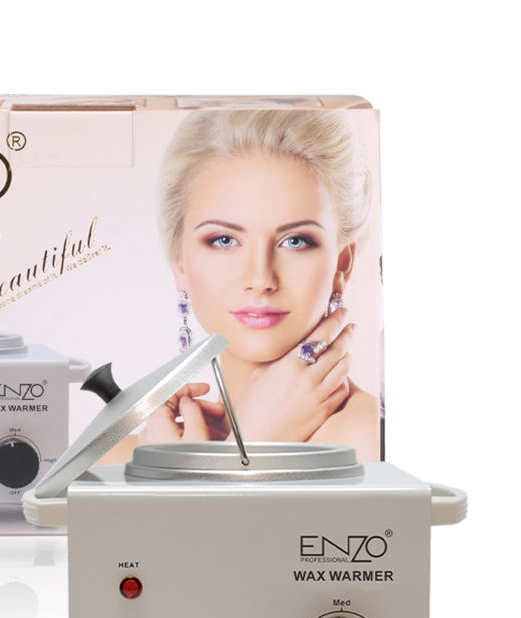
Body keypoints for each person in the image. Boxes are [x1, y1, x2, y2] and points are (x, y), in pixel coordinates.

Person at [104, 108, 380, 463]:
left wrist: (244, 450)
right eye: (224, 240)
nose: (260, 279)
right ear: (180, 264)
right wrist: (238, 447)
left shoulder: (368, 444)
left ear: (342, 264)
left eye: (295, 241)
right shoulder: (120, 458)